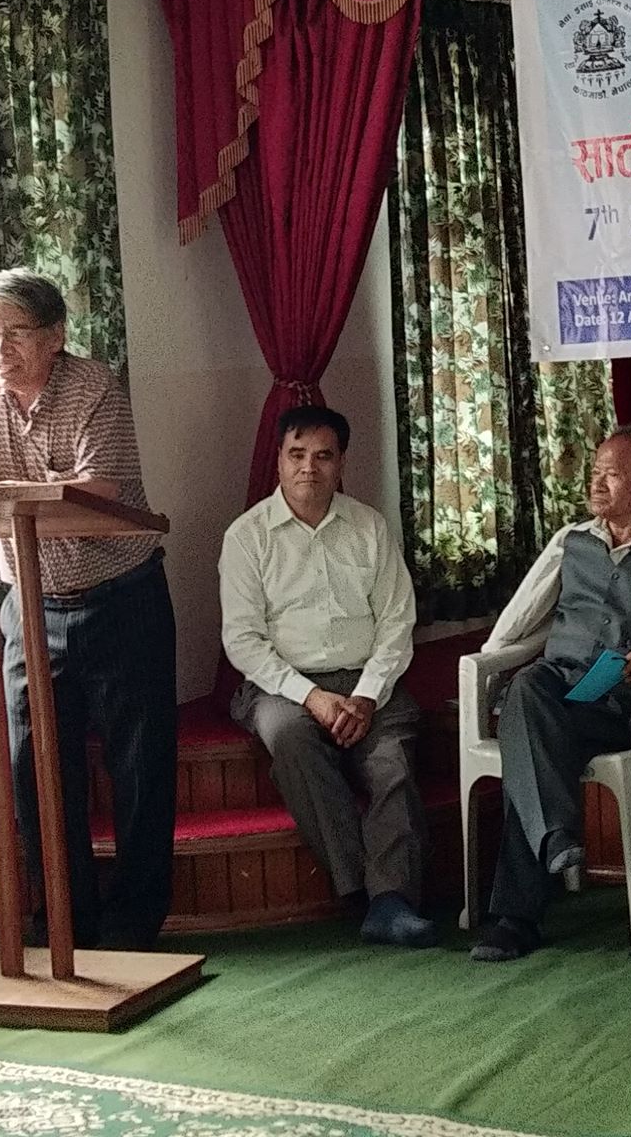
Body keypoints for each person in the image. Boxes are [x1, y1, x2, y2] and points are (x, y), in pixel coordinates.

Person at [0, 268, 176, 951]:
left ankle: (134, 929)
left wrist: (6, 487)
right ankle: (67, 923)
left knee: (139, 769)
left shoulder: (93, 387)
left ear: (55, 336)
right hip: (30, 605)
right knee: (33, 770)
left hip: (121, 598)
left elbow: (98, 492)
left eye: (15, 333)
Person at [470, 426, 631, 962]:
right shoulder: (571, 540)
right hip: (556, 693)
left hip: (619, 708)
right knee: (527, 687)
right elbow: (516, 620)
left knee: (527, 739)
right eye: (595, 472)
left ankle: (516, 916)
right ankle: (556, 839)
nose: (597, 484)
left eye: (612, 474)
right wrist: (484, 673)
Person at [219, 405, 436, 947]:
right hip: (281, 686)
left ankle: (392, 902)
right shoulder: (247, 537)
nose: (308, 468)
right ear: (278, 460)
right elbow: (243, 641)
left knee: (392, 763)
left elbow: (396, 622)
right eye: (296, 455)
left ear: (341, 463)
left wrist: (366, 696)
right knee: (290, 737)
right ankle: (362, 890)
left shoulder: (369, 527)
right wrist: (312, 696)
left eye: (323, 456)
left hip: (369, 683)